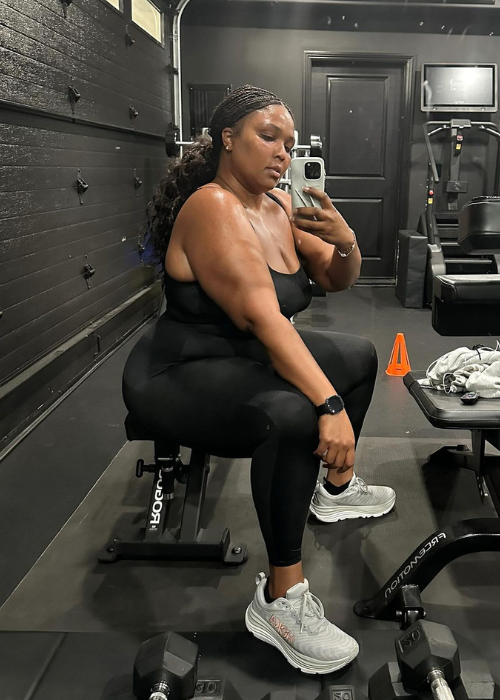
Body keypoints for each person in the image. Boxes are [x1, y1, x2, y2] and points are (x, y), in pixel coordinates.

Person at [124, 85, 396, 674]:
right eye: (267, 137)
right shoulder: (213, 206)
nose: (281, 153)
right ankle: (279, 600)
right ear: (228, 138)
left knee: (359, 354)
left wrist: (345, 238)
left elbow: (335, 276)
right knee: (295, 413)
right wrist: (328, 404)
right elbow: (261, 315)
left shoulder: (275, 207)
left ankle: (335, 490)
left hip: (244, 354)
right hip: (180, 370)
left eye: (288, 144)